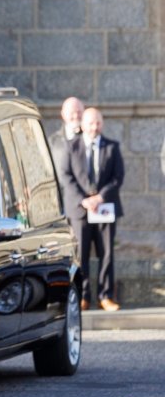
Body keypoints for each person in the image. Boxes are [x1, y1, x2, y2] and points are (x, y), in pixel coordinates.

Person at [58, 107, 125, 311]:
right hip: (80, 211)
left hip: (104, 209)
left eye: (98, 123)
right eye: (90, 123)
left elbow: (117, 177)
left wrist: (100, 197)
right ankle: (83, 296)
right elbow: (66, 176)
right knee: (81, 255)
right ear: (83, 125)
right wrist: (83, 200)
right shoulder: (71, 146)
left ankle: (105, 296)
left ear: (102, 124)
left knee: (106, 254)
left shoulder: (112, 147)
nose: (94, 127)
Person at [49, 97, 84, 170]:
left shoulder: (90, 139)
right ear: (63, 114)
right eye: (72, 113)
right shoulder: (53, 141)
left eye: (79, 112)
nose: (76, 116)